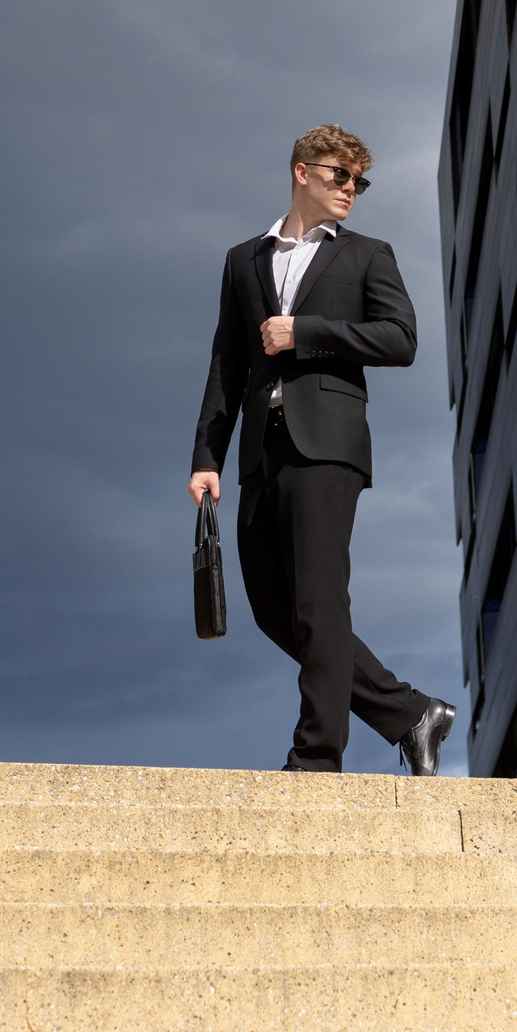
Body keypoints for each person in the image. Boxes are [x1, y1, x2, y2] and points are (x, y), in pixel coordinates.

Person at [191, 125, 458, 776]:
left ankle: (317, 756)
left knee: (318, 602)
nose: (351, 191)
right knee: (274, 610)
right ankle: (409, 714)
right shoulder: (243, 260)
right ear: (302, 172)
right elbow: (226, 362)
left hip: (327, 446)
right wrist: (207, 456)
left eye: (359, 182)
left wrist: (304, 332)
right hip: (261, 451)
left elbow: (401, 339)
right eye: (342, 176)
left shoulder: (368, 255)